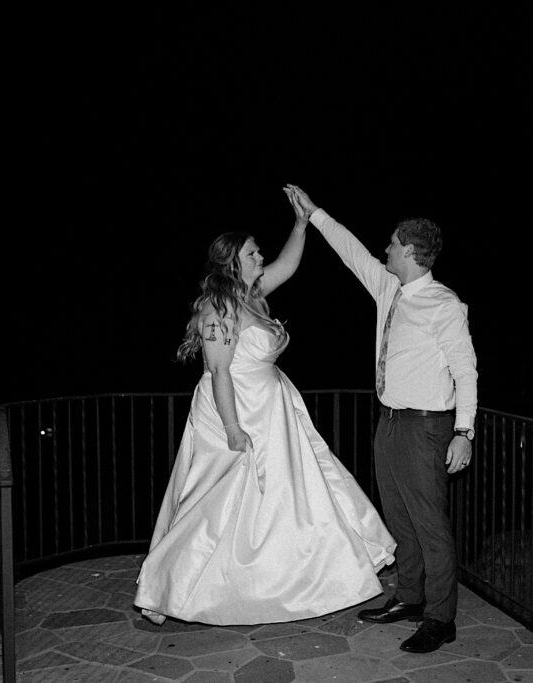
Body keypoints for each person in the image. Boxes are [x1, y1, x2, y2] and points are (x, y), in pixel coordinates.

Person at [133, 191, 396, 626]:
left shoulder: (253, 293)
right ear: (233, 260)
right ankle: (167, 589)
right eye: (254, 252)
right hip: (232, 410)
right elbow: (219, 372)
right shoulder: (220, 306)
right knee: (212, 504)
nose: (261, 256)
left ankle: (284, 579)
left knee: (280, 499)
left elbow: (289, 265)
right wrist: (233, 428)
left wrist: (300, 224)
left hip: (271, 409)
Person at [285, 184, 477, 653]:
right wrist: (314, 215)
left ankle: (440, 617)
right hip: (389, 421)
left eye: (392, 243)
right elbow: (351, 250)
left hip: (426, 426)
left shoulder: (443, 304)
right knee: (400, 518)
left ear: (410, 251)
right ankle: (409, 598)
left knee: (429, 523)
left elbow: (465, 370)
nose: (384, 249)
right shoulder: (389, 285)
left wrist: (464, 431)